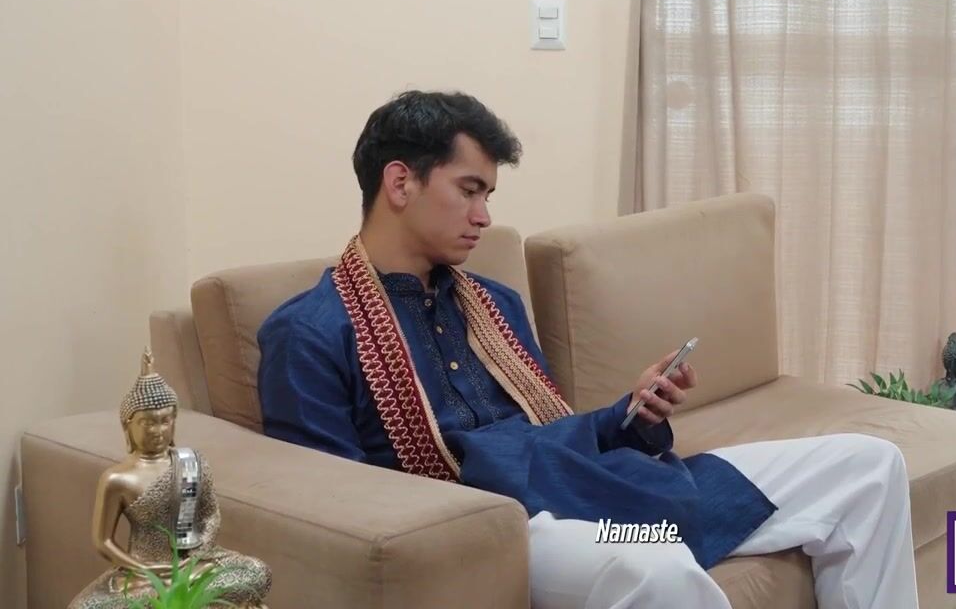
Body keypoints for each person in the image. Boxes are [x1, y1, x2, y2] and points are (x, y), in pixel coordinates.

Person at [256, 90, 919, 608]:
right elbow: (333, 516)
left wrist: (631, 413)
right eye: (469, 190)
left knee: (868, 465)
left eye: (488, 195)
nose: (484, 216)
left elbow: (549, 433)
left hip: (586, 485)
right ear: (400, 183)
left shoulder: (492, 302)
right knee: (655, 566)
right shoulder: (311, 332)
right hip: (508, 529)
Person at [70, 352, 271, 608]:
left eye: (165, 421)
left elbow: (210, 515)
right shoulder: (117, 479)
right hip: (142, 573)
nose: (158, 430)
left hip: (192, 565)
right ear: (127, 425)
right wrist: (143, 569)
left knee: (255, 571)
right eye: (148, 423)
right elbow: (104, 541)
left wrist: (196, 555)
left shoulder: (191, 463)